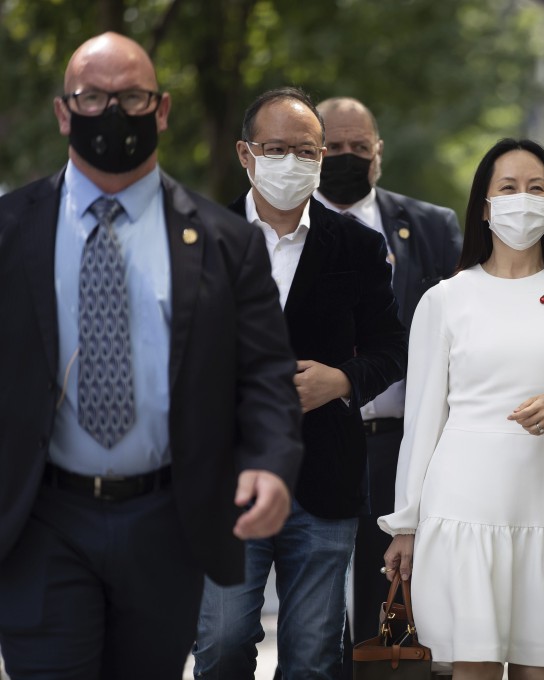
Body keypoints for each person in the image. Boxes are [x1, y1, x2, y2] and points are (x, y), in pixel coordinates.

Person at [0, 33, 303, 678]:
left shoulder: (225, 243)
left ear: (161, 109)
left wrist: (270, 463)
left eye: (132, 97)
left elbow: (264, 375)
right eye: (92, 97)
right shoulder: (10, 231)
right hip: (42, 519)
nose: (112, 112)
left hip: (165, 521)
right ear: (64, 112)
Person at [380, 138, 544, 680]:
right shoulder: (445, 299)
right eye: (509, 187)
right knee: (473, 667)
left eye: (536, 188)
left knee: (540, 669)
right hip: (462, 508)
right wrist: (405, 524)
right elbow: (422, 423)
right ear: (484, 206)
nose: (524, 199)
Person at [191, 87, 407, 678]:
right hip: (228, 477)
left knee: (313, 657)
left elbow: (391, 347)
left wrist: (342, 380)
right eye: (276, 149)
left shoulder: (358, 246)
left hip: (325, 477)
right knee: (222, 641)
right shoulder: (201, 238)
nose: (292, 162)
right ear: (245, 153)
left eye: (306, 151)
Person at [311, 96, 463, 657]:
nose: (347, 157)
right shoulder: (285, 228)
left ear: (379, 151)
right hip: (317, 441)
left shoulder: (430, 227)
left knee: (390, 607)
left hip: (401, 447)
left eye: (359, 145)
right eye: (334, 146)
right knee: (316, 611)